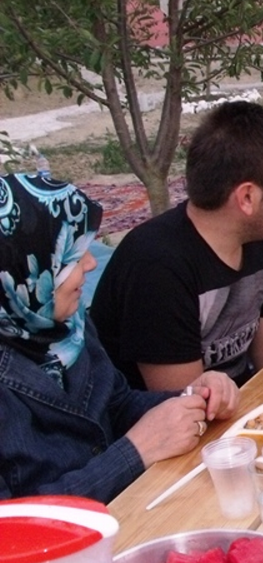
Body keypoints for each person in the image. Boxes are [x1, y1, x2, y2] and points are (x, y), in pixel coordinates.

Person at [0, 174, 240, 502]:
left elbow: (116, 403)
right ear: (23, 270)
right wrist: (133, 453)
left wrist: (195, 397)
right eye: (72, 256)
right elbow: (12, 521)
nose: (90, 263)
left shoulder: (68, 328)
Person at [92, 102, 263, 391]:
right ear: (247, 198)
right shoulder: (157, 266)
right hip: (184, 415)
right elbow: (183, 402)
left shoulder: (251, 237)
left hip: (242, 404)